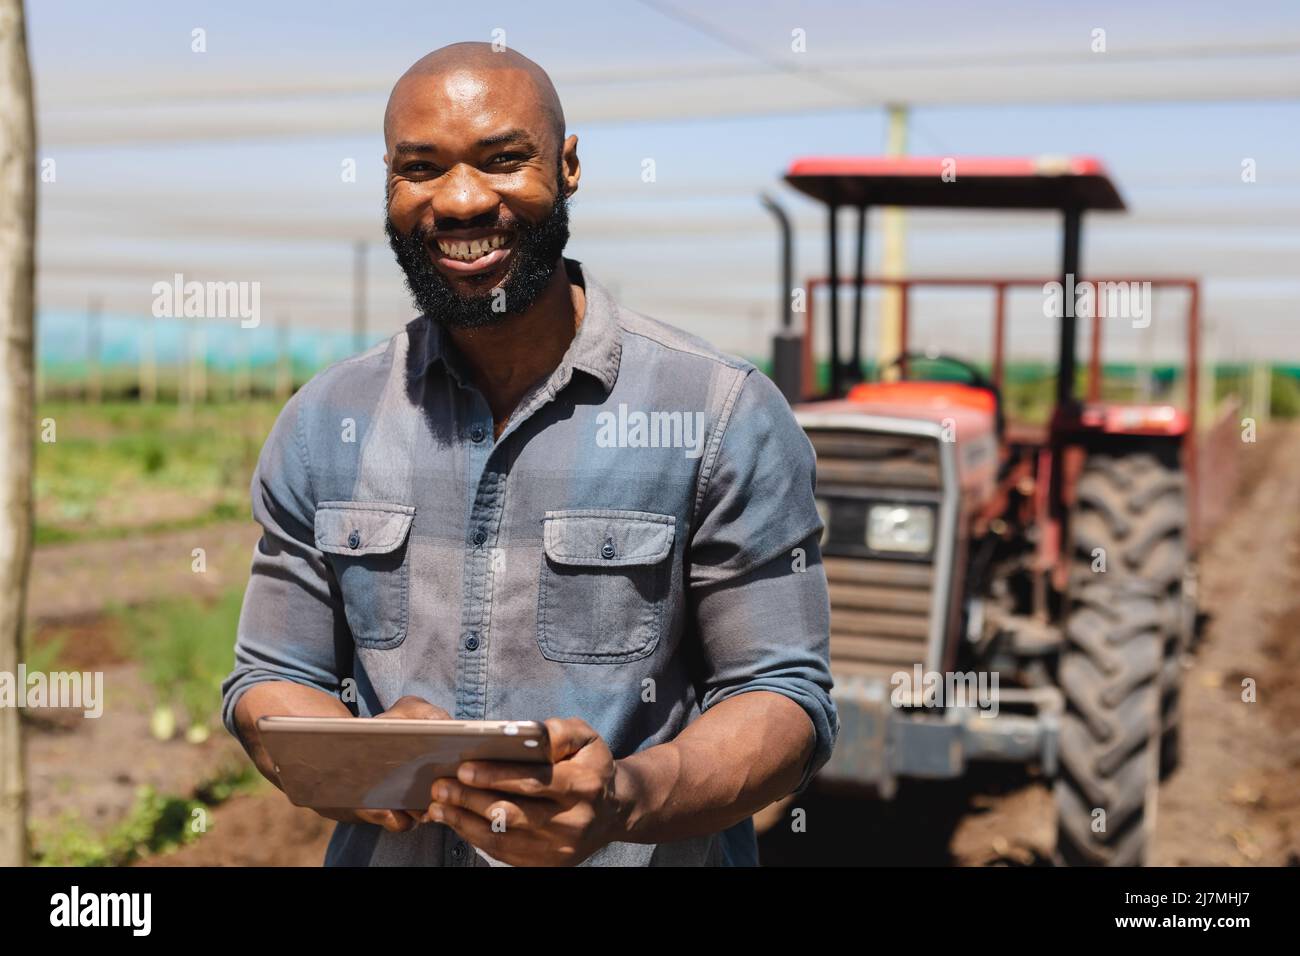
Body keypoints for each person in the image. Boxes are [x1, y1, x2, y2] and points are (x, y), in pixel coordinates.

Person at [221, 41, 836, 866]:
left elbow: (783, 697)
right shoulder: (325, 422)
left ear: (569, 166)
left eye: (505, 160)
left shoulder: (718, 413)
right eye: (422, 168)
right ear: (389, 182)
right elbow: (267, 681)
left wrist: (624, 798)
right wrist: (356, 757)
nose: (465, 200)